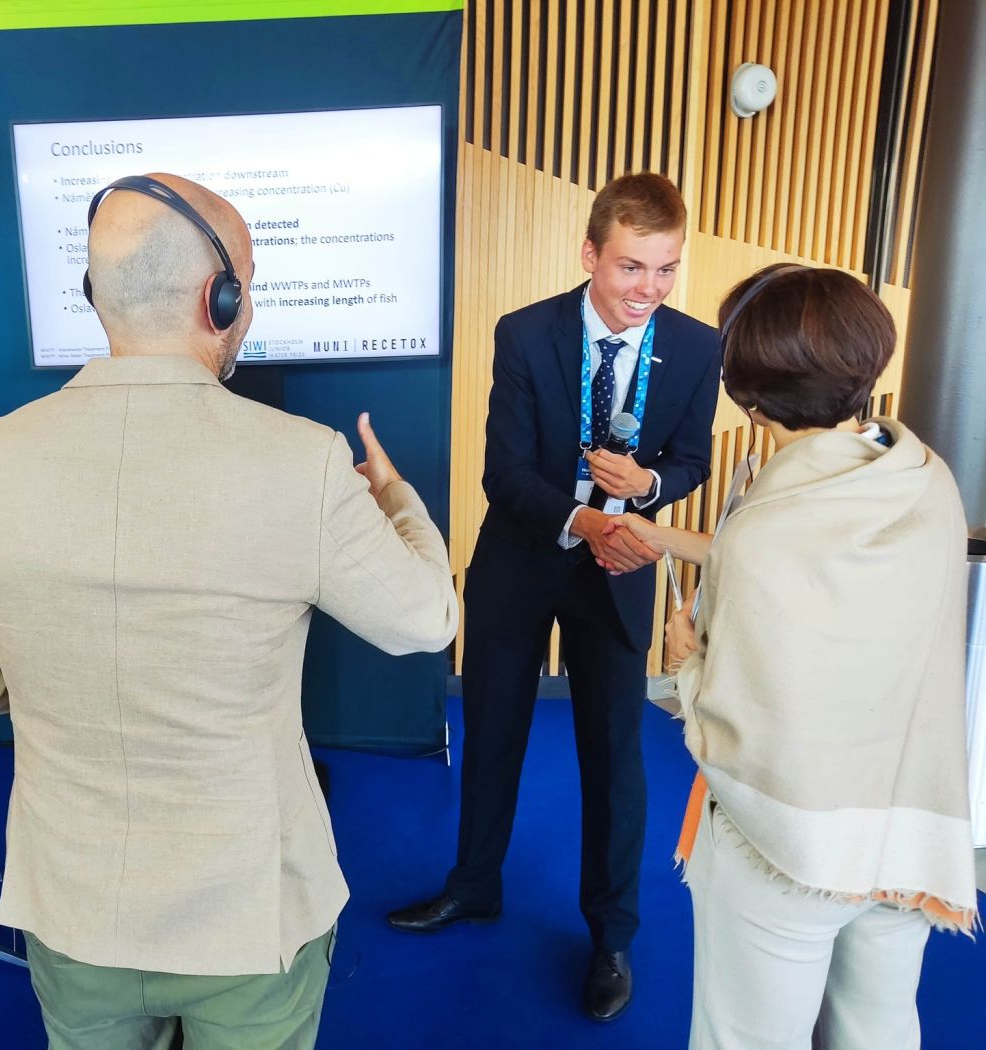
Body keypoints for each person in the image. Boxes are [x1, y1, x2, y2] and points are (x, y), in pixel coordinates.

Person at [0, 172, 458, 1049]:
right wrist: (397, 500)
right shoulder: (305, 462)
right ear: (222, 299)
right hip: (247, 913)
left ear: (95, 294)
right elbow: (427, 619)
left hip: (72, 907)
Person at [606, 264, 977, 1050]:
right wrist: (665, 536)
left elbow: (733, 723)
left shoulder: (764, 526)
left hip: (795, 846)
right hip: (906, 829)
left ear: (745, 392)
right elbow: (815, 568)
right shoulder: (925, 482)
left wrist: (687, 661)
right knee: (879, 1029)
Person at [387, 172, 721, 1022]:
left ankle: (612, 937)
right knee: (493, 730)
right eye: (631, 267)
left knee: (614, 757)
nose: (648, 289)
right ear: (589, 255)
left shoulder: (696, 347)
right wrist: (586, 519)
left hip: (622, 567)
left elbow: (692, 460)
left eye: (666, 269)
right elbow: (504, 475)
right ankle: (474, 886)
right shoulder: (525, 333)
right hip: (524, 555)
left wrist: (649, 486)